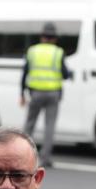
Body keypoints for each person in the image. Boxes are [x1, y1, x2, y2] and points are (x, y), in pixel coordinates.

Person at [20, 22, 71, 168]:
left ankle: (23, 156)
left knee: (29, 125)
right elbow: (65, 74)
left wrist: (22, 93)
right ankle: (45, 158)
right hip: (53, 94)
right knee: (49, 126)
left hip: (35, 93)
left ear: (42, 37)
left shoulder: (32, 51)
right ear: (54, 38)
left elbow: (24, 73)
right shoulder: (58, 52)